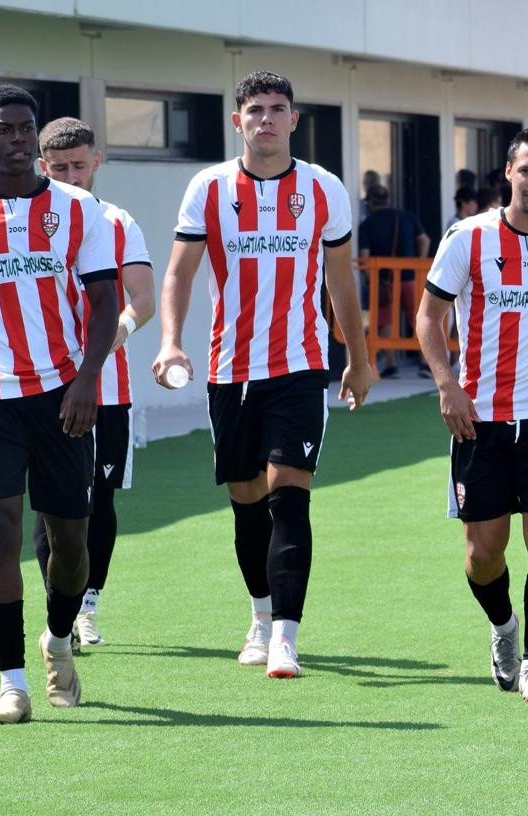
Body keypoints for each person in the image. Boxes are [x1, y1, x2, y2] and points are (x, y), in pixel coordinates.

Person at [151, 70, 374, 679]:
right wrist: (171, 342)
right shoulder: (209, 187)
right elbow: (178, 274)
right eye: (255, 110)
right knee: (247, 503)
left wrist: (358, 356)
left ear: (294, 120)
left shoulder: (324, 189)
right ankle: (259, 613)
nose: (266, 120)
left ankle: (285, 636)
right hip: (229, 370)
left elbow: (340, 279)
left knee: (289, 496)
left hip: (300, 367)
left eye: (278, 109)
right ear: (237, 120)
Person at [415, 125, 528, 702]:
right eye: (527, 171)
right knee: (483, 553)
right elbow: (428, 319)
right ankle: (504, 629)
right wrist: (448, 385)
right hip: (480, 419)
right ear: (508, 174)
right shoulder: (467, 239)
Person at [0, 85, 119, 723]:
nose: (15, 140)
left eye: (24, 129)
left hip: (63, 393)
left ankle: (59, 637)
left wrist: (89, 379)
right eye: (3, 129)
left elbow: (103, 302)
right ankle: (12, 683)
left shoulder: (77, 209)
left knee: (70, 542)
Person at [31, 117, 155, 648]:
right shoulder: (27, 219)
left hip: (109, 390)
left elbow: (142, 297)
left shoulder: (118, 221)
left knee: (98, 500)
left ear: (97, 162)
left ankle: (88, 605)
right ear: (43, 166)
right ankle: (57, 605)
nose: (71, 176)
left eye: (79, 166)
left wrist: (116, 334)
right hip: (41, 388)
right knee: (48, 504)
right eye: (59, 168)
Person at [358, 183, 430, 378]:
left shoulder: (367, 225)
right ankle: (425, 363)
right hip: (409, 277)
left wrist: (371, 280)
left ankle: (391, 365)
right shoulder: (406, 217)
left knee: (386, 322)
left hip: (383, 281)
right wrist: (418, 265)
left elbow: (364, 256)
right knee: (418, 320)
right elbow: (424, 240)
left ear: (371, 202)